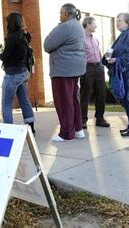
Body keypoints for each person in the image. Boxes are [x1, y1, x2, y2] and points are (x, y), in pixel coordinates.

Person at [44, 3, 86, 142]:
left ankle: (67, 133)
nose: (60, 16)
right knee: (73, 99)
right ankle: (78, 129)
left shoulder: (65, 26)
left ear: (66, 14)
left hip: (63, 69)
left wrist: (57, 27)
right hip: (74, 68)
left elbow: (48, 45)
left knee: (63, 101)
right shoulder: (78, 25)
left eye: (61, 14)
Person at [0, 12, 36, 134]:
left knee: (6, 103)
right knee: (24, 100)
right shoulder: (24, 36)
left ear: (11, 23)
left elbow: (5, 57)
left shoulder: (12, 37)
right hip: (23, 73)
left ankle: (8, 131)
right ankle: (31, 128)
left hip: (13, 74)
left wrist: (1, 53)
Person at [80, 16, 110, 129]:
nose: (96, 26)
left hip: (99, 67)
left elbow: (99, 54)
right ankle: (82, 119)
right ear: (87, 24)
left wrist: (103, 61)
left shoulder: (95, 39)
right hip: (87, 68)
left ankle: (100, 118)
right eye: (94, 24)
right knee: (85, 94)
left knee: (101, 94)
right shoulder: (81, 38)